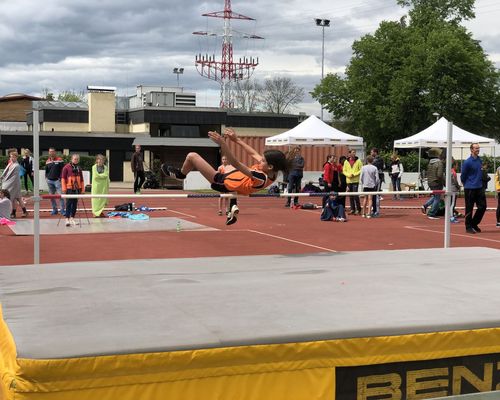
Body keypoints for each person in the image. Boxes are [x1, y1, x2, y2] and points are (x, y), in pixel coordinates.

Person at [161, 128, 289, 225]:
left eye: (263, 161)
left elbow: (236, 163)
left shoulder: (261, 176)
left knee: (192, 156)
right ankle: (232, 205)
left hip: (222, 182)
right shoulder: (272, 171)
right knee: (230, 169)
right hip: (234, 183)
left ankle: (181, 175)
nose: (260, 160)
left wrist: (223, 144)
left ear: (270, 166)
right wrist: (236, 140)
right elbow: (252, 152)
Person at [461, 143, 487, 234]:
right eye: (476, 148)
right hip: (469, 188)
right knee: (469, 208)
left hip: (479, 187)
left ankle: (474, 223)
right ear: (471, 150)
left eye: (478, 148)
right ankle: (468, 226)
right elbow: (463, 176)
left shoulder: (480, 160)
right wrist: (466, 184)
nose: (478, 149)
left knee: (483, 207)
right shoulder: (467, 162)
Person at [1, 150, 28, 218]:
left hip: (14, 184)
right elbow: (5, 173)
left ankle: (16, 212)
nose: (12, 158)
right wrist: (2, 178)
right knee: (16, 198)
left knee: (16, 198)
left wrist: (4, 182)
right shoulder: (10, 164)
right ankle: (17, 212)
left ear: (16, 157)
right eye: (11, 157)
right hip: (11, 183)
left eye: (13, 157)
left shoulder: (16, 166)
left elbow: (13, 177)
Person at [421, 148, 445, 220]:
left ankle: (425, 205)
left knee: (435, 196)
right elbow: (439, 175)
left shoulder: (430, 163)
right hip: (437, 182)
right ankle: (432, 213)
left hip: (430, 182)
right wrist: (444, 182)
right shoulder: (439, 163)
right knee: (437, 198)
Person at [62, 154, 84, 227]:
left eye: (77, 159)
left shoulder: (79, 168)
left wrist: (82, 189)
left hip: (77, 189)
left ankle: (72, 218)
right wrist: (64, 189)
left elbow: (81, 180)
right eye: (75, 159)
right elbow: (63, 179)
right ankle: (67, 219)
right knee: (68, 204)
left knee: (75, 204)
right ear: (71, 159)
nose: (76, 160)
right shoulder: (66, 167)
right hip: (69, 189)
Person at [45, 147, 65, 215]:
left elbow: (63, 170)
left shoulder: (60, 160)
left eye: (53, 151)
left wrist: (60, 178)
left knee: (61, 196)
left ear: (55, 152)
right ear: (49, 152)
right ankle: (54, 210)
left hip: (57, 181)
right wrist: (46, 178)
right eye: (50, 151)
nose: (51, 153)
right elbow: (46, 171)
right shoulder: (47, 161)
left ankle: (62, 210)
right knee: (51, 197)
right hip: (49, 181)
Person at [343, 149, 362, 214]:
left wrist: (354, 174)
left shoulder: (358, 161)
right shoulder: (346, 161)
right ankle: (352, 209)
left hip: (355, 180)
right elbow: (344, 170)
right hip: (348, 180)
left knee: (355, 195)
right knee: (350, 195)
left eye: (355, 152)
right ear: (349, 154)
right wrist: (348, 175)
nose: (354, 153)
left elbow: (361, 170)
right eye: (353, 152)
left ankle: (358, 209)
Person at [370, 148, 385, 217]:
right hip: (372, 179)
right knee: (373, 195)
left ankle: (377, 211)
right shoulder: (372, 159)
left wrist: (371, 164)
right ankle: (374, 210)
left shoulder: (380, 159)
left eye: (371, 152)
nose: (370, 153)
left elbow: (377, 167)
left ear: (375, 152)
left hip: (378, 179)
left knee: (376, 195)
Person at [450, 159, 461, 223]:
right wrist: (458, 186)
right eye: (457, 165)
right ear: (454, 166)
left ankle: (451, 215)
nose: (457, 167)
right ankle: (451, 217)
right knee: (452, 204)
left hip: (450, 188)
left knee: (450, 203)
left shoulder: (449, 171)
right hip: (453, 189)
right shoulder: (453, 172)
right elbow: (455, 181)